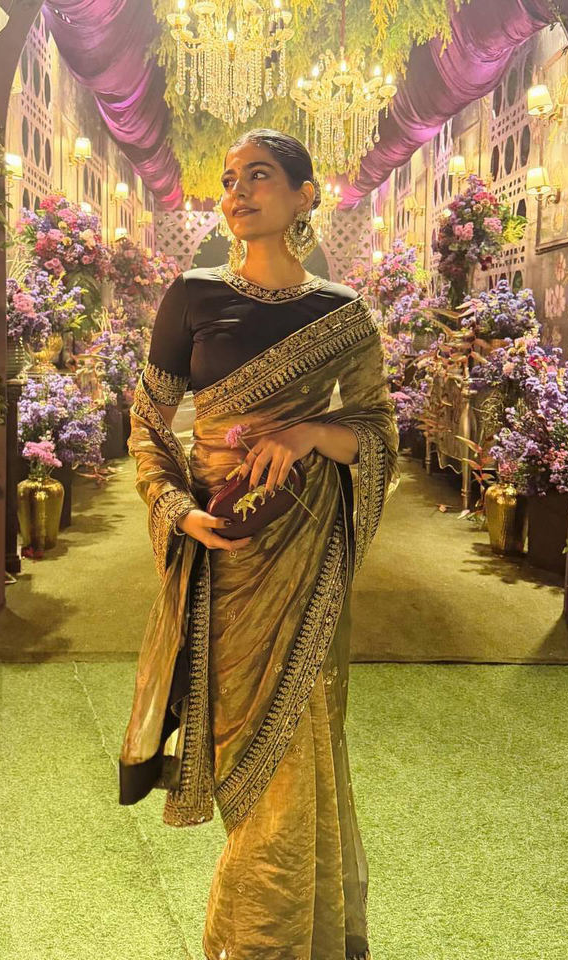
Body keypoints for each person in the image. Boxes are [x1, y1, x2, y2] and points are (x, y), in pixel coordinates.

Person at [118, 127, 400, 960]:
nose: (237, 192)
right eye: (229, 178)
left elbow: (378, 431)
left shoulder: (341, 313)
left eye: (260, 176)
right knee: (243, 749)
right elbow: (147, 424)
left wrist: (310, 431)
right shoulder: (191, 296)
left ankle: (265, 945)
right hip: (222, 556)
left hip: (306, 556)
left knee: (293, 751)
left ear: (306, 196)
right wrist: (177, 510)